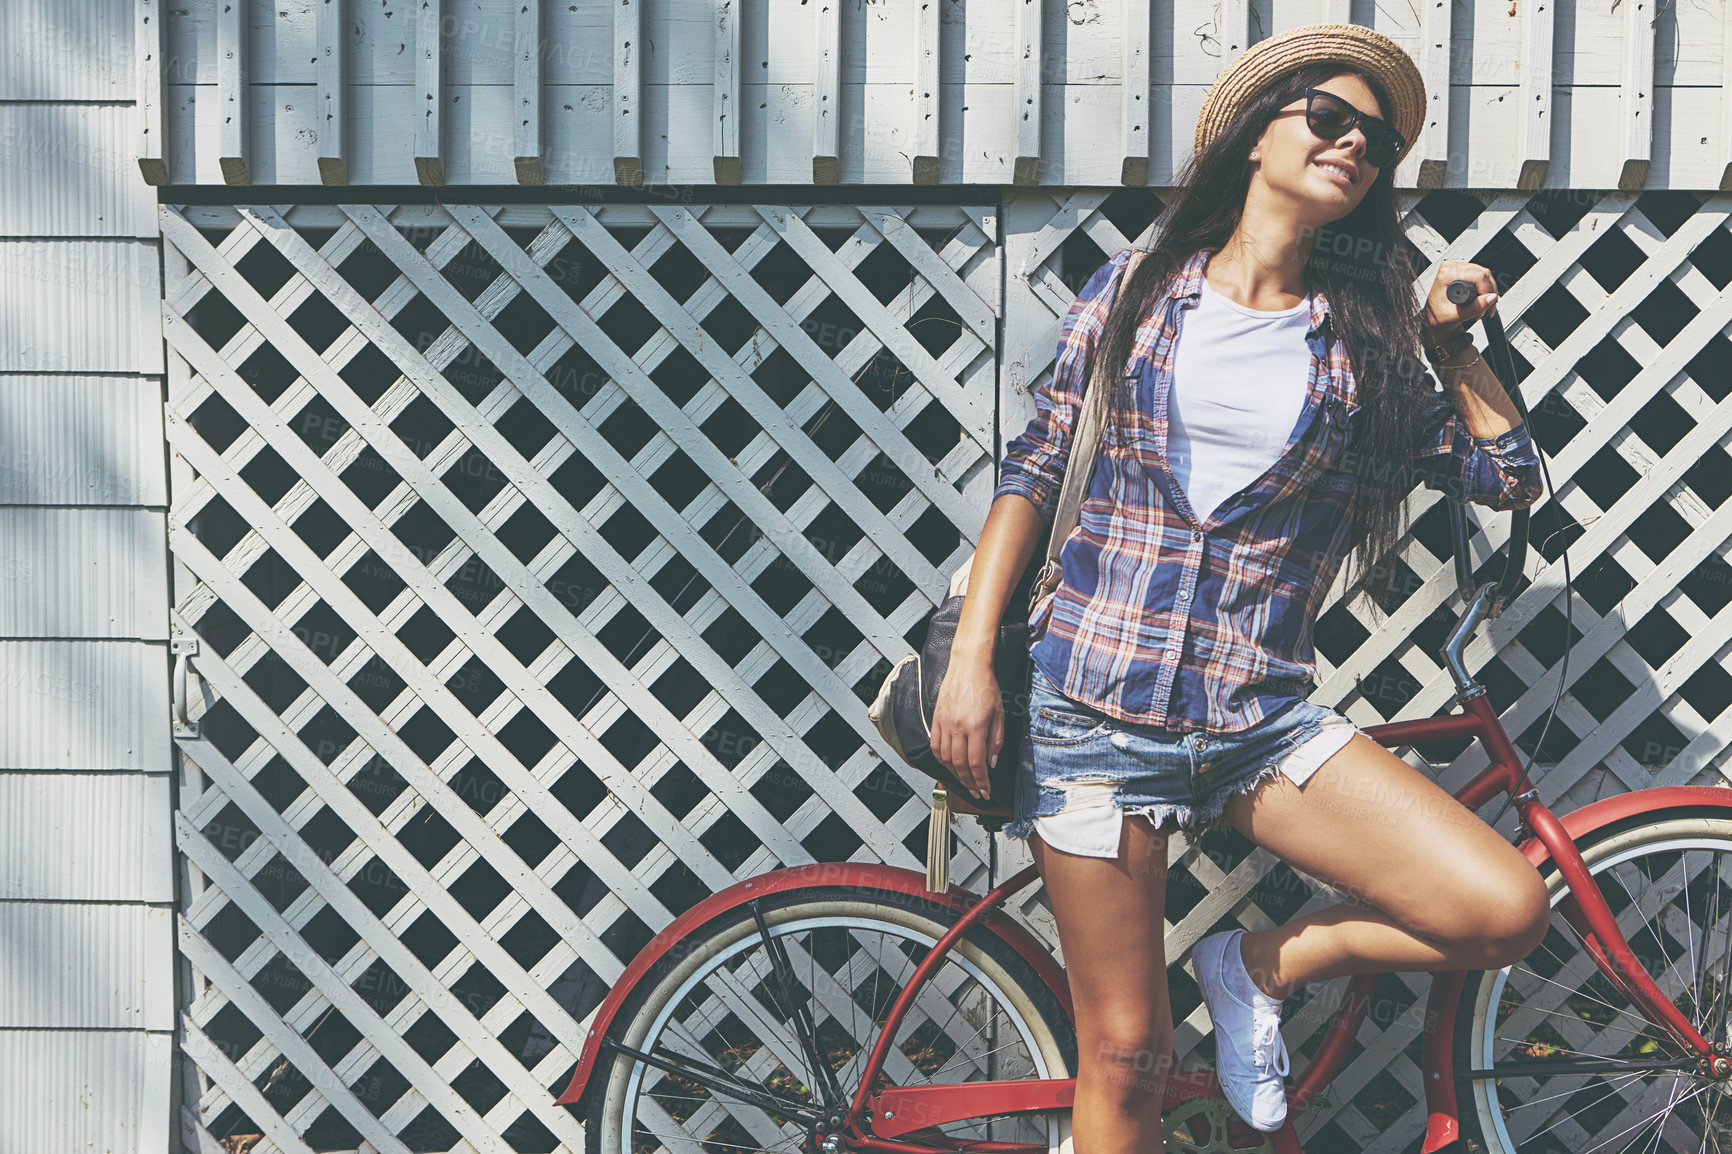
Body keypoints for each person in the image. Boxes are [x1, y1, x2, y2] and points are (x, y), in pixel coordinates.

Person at [928, 22, 1552, 1150]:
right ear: (1256, 137)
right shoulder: (1139, 290)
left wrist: (1450, 349)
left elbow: (1508, 477)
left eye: (1377, 140)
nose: (1355, 144)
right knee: (1125, 1055)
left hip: (1256, 722)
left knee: (1499, 904)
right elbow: (1032, 467)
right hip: (1089, 717)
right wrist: (972, 658)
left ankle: (1260, 959)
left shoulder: (1359, 345)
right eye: (1329, 117)